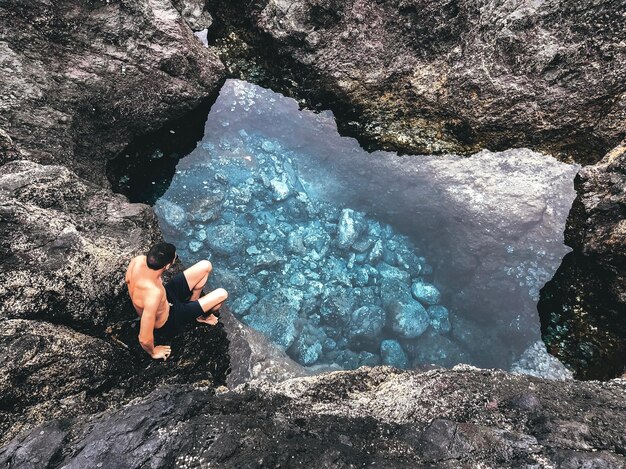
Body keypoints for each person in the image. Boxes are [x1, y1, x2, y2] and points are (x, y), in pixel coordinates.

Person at [125, 242, 228, 360]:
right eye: (175, 257)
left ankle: (193, 301)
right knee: (222, 294)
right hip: (170, 319)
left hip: (166, 297)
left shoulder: (137, 261)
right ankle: (204, 317)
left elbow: (128, 280)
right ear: (167, 266)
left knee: (206, 265)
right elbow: (144, 338)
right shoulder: (153, 294)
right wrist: (153, 352)